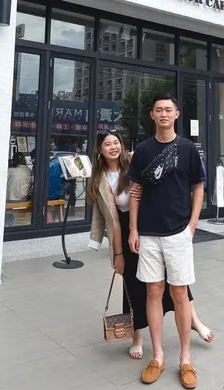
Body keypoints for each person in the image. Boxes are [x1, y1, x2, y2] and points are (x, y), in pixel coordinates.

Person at [87, 130, 213, 361]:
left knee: (176, 280)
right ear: (100, 150)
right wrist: (115, 251)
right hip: (125, 231)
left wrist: (188, 224)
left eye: (116, 142)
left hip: (149, 224)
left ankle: (194, 320)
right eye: (107, 144)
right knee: (134, 284)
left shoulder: (135, 160)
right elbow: (105, 216)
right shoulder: (98, 180)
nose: (113, 147)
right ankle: (137, 337)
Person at [127, 93, 205, 389]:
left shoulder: (187, 149)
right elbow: (135, 191)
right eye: (158, 110)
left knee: (180, 293)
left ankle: (185, 359)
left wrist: (192, 225)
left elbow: (198, 186)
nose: (163, 114)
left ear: (176, 114)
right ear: (152, 115)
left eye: (168, 110)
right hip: (148, 233)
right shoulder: (143, 150)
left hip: (178, 232)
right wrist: (133, 229)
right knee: (153, 291)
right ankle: (157, 356)